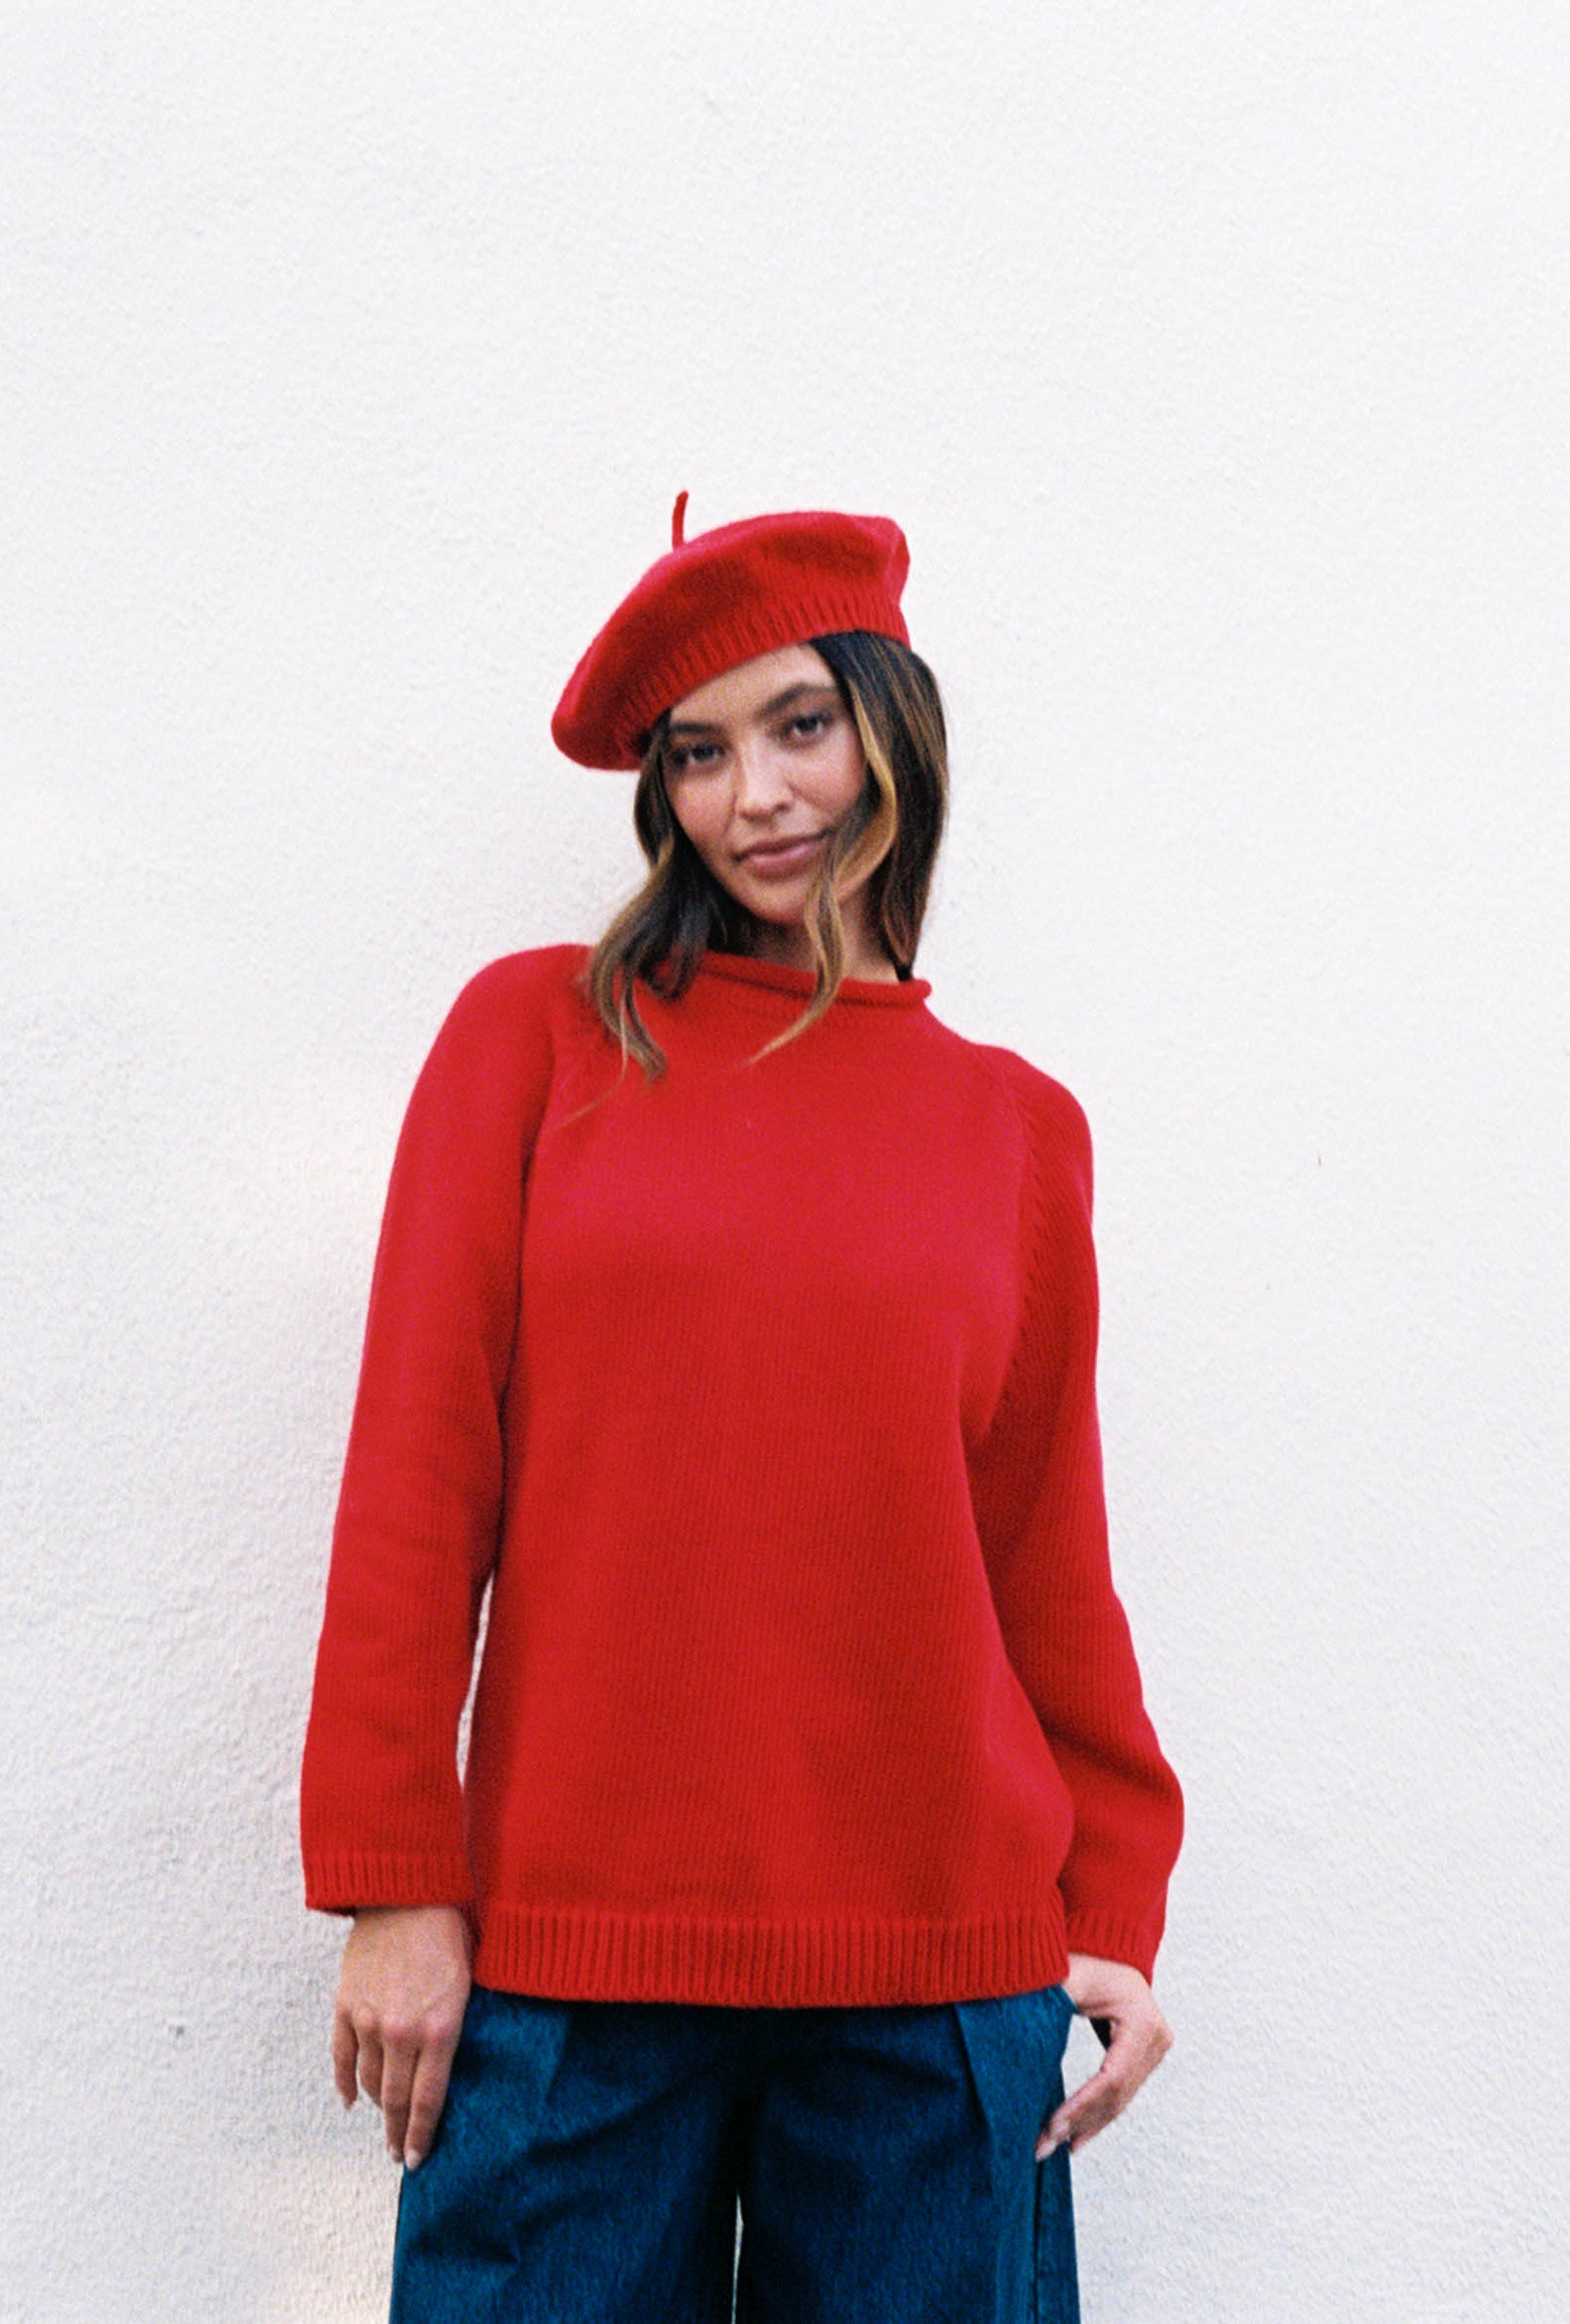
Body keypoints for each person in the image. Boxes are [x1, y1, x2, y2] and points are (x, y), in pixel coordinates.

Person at [300, 496, 1184, 2323]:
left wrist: (1112, 1911)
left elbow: (1044, 1561)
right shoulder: (541, 1037)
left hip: (938, 1989)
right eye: (697, 754)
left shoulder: (1016, 1131)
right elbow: (416, 1474)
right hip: (567, 1976)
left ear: (892, 725)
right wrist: (393, 1880)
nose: (755, 797)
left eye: (799, 725)